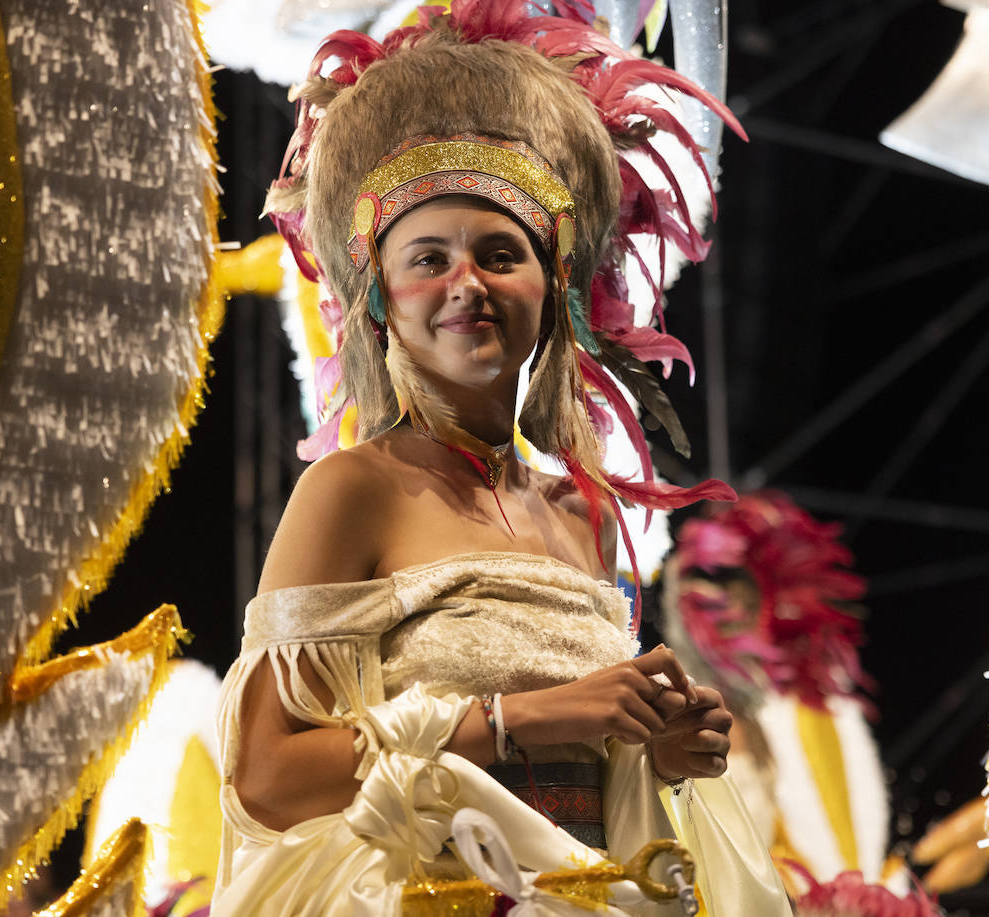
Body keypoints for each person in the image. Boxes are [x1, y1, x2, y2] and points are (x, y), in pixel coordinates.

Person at [211, 4, 794, 915]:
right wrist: (517, 721)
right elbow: (267, 778)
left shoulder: (583, 515)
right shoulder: (350, 491)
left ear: (553, 290)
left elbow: (592, 783)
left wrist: (661, 753)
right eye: (428, 257)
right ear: (380, 303)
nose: (467, 283)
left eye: (499, 253)